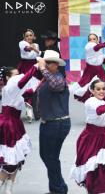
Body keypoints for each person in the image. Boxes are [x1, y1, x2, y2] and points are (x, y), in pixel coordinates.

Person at [70, 79, 105, 194]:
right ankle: (91, 190)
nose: (102, 91)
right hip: (91, 138)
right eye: (98, 89)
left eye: (104, 89)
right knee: (91, 166)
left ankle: (99, 188)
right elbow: (100, 111)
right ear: (92, 91)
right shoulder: (90, 101)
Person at [36, 50, 70, 194]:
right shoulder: (46, 78)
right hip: (48, 123)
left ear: (55, 65)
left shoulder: (58, 77)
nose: (43, 65)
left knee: (50, 157)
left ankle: (58, 189)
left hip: (56, 124)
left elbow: (56, 85)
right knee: (47, 156)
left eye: (47, 63)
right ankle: (58, 187)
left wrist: (43, 68)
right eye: (45, 62)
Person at [0, 66, 36, 194]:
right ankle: (2, 183)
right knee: (9, 159)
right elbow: (24, 80)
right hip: (8, 124)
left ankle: (9, 187)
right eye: (15, 75)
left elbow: (29, 89)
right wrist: (37, 66)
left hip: (16, 124)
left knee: (17, 157)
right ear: (8, 78)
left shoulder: (17, 90)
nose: (19, 76)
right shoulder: (9, 88)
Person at [70, 33, 105, 103]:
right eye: (90, 39)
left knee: (103, 86)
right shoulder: (89, 46)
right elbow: (96, 48)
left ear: (97, 40)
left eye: (94, 39)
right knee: (87, 87)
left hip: (100, 71)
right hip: (90, 72)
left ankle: (102, 102)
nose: (92, 40)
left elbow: (102, 59)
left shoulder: (99, 49)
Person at [18, 29, 42, 123]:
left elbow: (38, 55)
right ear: (24, 37)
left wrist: (36, 49)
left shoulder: (36, 45)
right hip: (24, 68)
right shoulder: (22, 43)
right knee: (25, 90)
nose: (29, 37)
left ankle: (36, 112)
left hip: (34, 68)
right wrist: (33, 48)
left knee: (34, 90)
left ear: (33, 36)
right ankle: (28, 112)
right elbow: (27, 49)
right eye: (27, 36)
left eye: (30, 35)